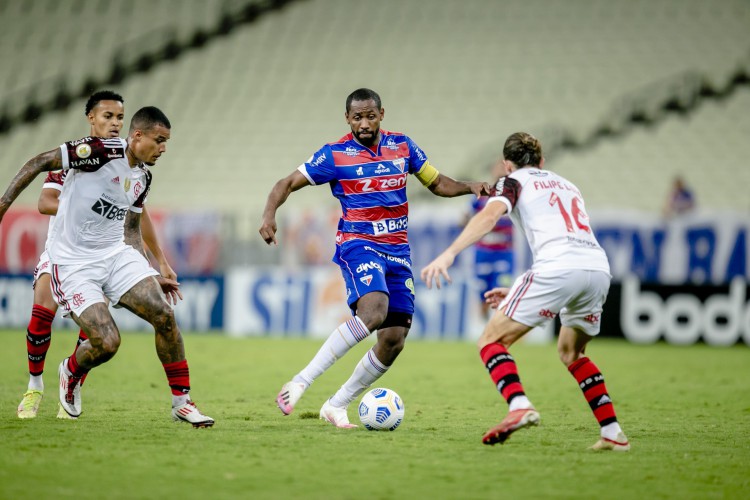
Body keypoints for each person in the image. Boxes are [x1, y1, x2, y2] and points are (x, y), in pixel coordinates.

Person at [259, 88, 490, 428]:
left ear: (382, 114)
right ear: (347, 119)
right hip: (358, 243)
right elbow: (286, 182)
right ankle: (301, 381)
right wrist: (268, 215)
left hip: (397, 250)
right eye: (357, 117)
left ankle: (336, 405)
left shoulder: (403, 147)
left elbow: (437, 182)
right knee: (374, 311)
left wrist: (470, 186)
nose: (364, 123)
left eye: (370, 116)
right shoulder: (335, 155)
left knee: (394, 337)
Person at [0, 106, 213, 427]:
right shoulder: (96, 152)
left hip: (115, 255)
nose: (164, 148)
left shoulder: (143, 176)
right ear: (138, 135)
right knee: (108, 341)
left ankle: (181, 403)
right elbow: (38, 162)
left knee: (165, 315)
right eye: (159, 140)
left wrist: (150, 272)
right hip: (73, 263)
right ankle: (69, 371)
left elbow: (130, 230)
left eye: (166, 142)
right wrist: (2, 206)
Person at [421, 132, 629, 451]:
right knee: (572, 352)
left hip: (556, 269)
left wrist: (450, 252)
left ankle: (519, 405)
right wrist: (520, 289)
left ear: (506, 164)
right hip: (597, 269)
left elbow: (489, 215)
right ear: (542, 161)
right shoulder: (567, 184)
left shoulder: (512, 181)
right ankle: (613, 432)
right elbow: (563, 235)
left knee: (490, 341)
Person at [465, 160, 514, 319]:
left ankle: (499, 326)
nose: (500, 170)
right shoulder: (482, 196)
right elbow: (465, 218)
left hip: (504, 254)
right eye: (498, 166)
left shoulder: (513, 194)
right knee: (484, 295)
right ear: (492, 171)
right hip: (483, 252)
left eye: (503, 167)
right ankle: (483, 327)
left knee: (502, 292)